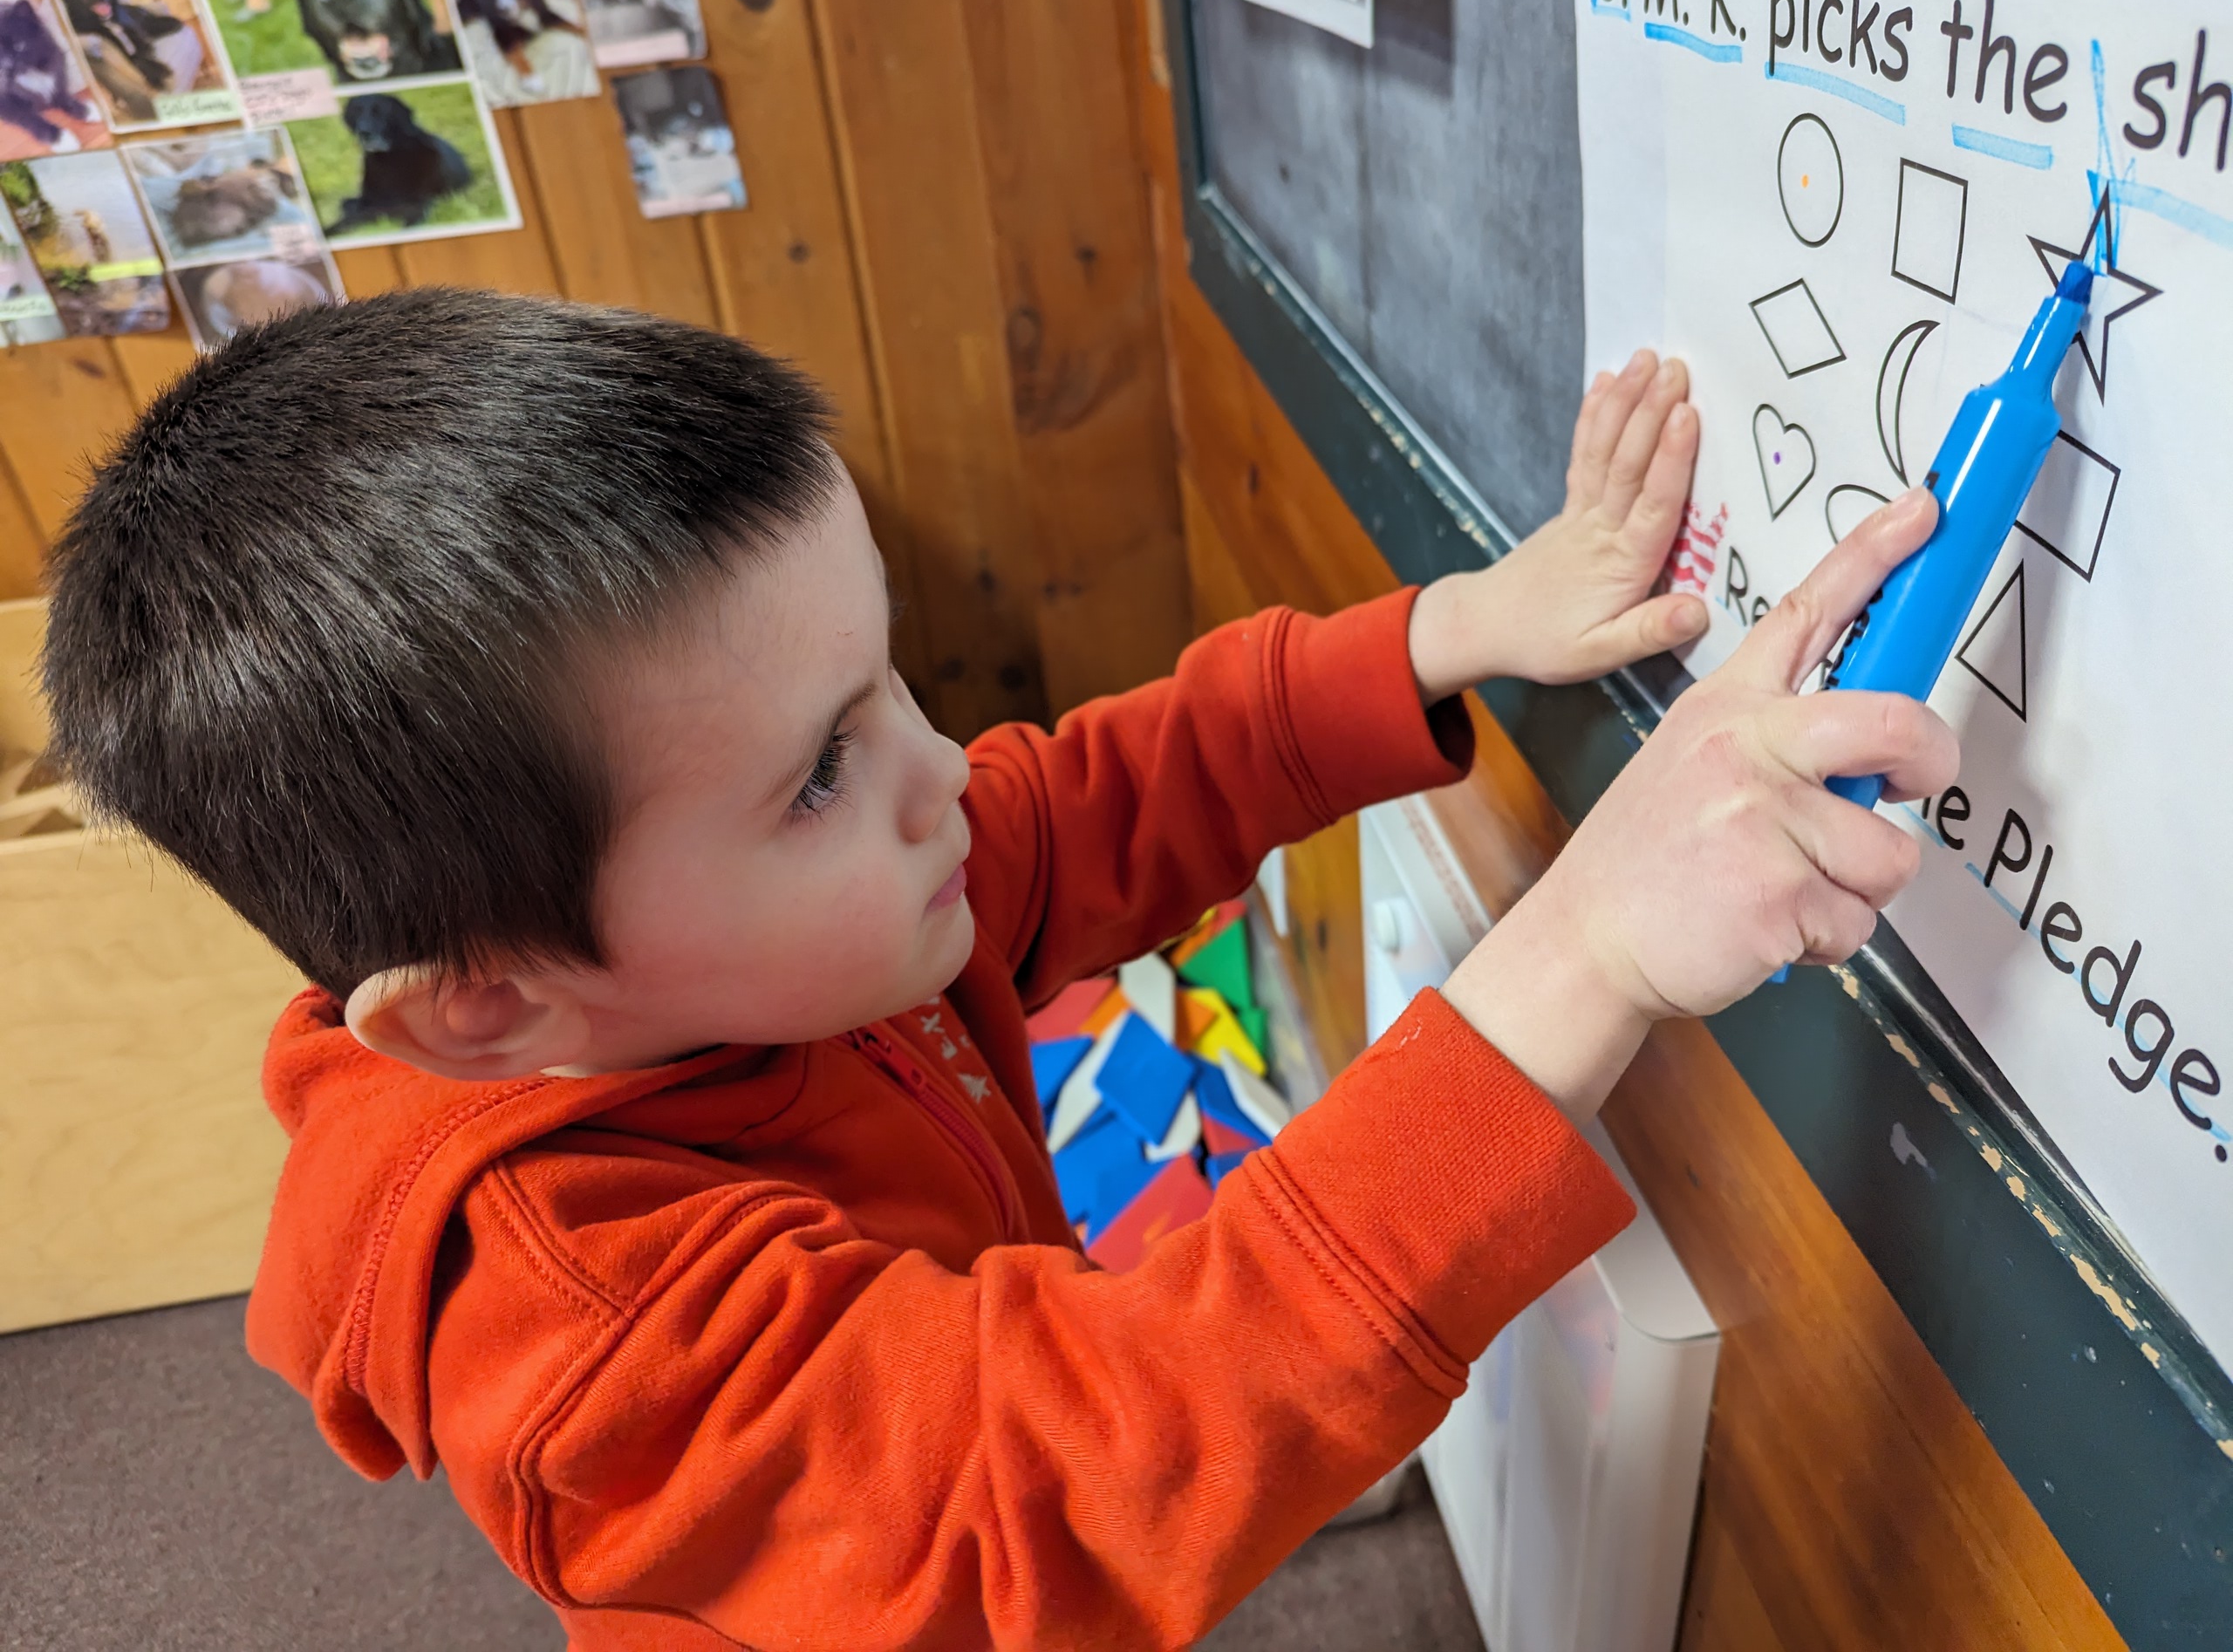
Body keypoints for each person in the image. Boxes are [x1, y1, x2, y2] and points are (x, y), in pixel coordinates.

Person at [37, 290, 1952, 1650]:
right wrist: (1587, 947)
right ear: (490, 1004)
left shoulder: (789, 934)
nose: (940, 771)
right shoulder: (581, 1326)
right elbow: (1047, 1497)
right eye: (818, 772)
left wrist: (1448, 628)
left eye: (889, 678)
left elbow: (1096, 797)